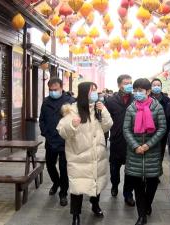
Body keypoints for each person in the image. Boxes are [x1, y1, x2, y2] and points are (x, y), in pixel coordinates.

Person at [57, 82, 113, 225]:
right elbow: (62, 132)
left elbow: (108, 126)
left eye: (95, 90)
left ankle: (95, 205)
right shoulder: (72, 110)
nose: (95, 93)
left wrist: (104, 111)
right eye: (91, 90)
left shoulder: (98, 107)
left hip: (97, 154)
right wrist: (72, 125)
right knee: (77, 187)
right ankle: (75, 215)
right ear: (83, 93)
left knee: (96, 182)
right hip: (78, 155)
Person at [123, 78, 167, 225]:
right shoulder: (131, 108)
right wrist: (136, 146)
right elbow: (126, 129)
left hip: (152, 151)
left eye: (140, 91)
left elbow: (162, 129)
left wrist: (148, 145)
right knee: (137, 184)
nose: (137, 93)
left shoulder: (157, 107)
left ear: (148, 92)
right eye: (135, 90)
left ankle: (147, 204)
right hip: (134, 152)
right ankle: (141, 215)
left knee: (152, 181)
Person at [39, 78, 75, 206]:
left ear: (61, 87)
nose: (53, 92)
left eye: (56, 89)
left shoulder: (70, 101)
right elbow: (42, 119)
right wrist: (45, 132)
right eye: (51, 90)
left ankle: (63, 193)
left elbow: (74, 120)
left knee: (64, 168)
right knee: (49, 164)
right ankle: (56, 182)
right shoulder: (46, 101)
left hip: (65, 140)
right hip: (50, 139)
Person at [105, 74, 136, 206]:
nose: (128, 85)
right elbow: (106, 120)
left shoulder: (136, 99)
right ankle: (114, 185)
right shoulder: (110, 101)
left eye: (130, 82)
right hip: (117, 139)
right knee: (114, 167)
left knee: (130, 169)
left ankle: (128, 193)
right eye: (125, 83)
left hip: (132, 140)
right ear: (119, 85)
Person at [150, 78, 170, 159]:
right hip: (149, 132)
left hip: (163, 131)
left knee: (160, 154)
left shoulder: (167, 100)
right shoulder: (147, 99)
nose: (156, 87)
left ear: (161, 87)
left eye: (158, 85)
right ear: (150, 87)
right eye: (154, 85)